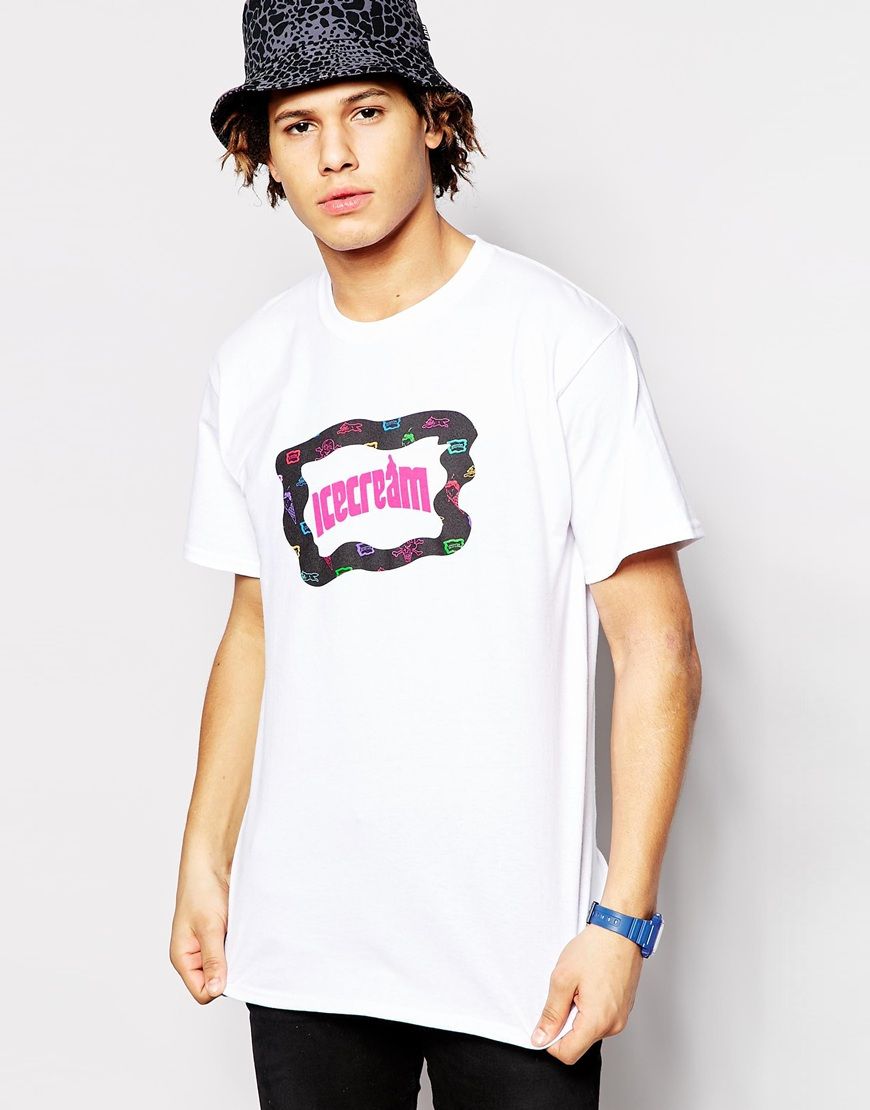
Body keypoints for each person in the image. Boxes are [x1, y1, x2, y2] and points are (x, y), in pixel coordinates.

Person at [169, 2, 705, 1107]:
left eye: (366, 112)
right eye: (298, 126)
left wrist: (625, 920)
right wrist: (204, 860)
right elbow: (255, 628)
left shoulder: (560, 340)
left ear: (433, 121)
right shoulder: (253, 367)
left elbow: (657, 650)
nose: (335, 154)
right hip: (307, 941)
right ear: (264, 154)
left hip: (517, 956)